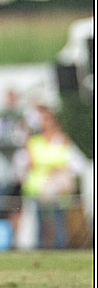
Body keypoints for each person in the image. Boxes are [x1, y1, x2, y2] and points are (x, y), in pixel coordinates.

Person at [21, 105, 86, 249]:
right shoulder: (34, 141)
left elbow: (78, 164)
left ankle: (61, 252)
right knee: (40, 226)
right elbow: (29, 163)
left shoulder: (63, 141)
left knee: (58, 223)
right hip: (38, 189)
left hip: (58, 190)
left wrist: (58, 169)